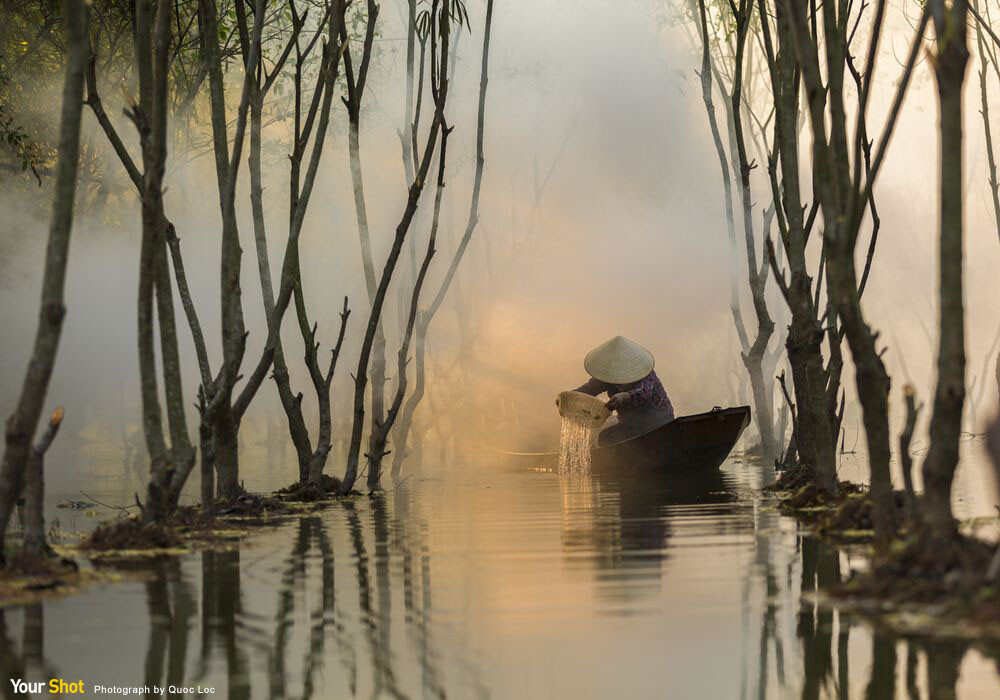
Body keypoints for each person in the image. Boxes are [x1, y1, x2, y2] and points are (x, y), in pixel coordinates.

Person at [568, 336, 675, 446]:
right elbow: (590, 388)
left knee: (650, 444)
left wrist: (624, 396)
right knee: (606, 437)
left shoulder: (645, 373)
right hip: (630, 423)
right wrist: (570, 397)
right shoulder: (607, 375)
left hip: (659, 422)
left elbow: (643, 392)